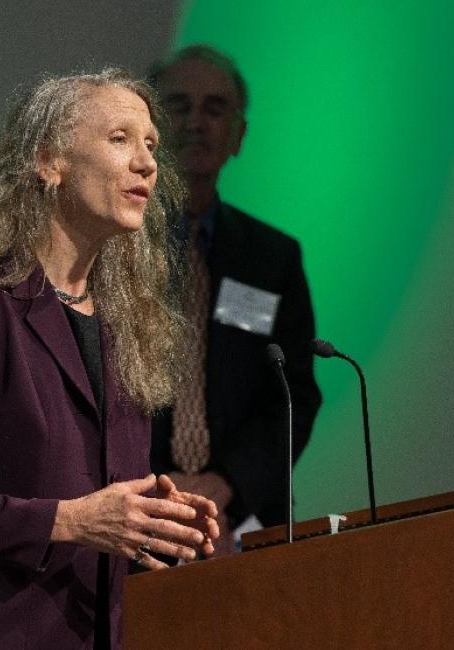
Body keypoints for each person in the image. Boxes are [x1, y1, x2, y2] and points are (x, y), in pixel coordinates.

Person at [0, 68, 220, 650]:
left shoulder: (124, 322)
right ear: (48, 160)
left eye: (152, 145)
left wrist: (154, 521)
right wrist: (69, 521)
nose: (148, 163)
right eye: (120, 139)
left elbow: (90, 495)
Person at [149, 45, 322, 554]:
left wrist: (224, 487)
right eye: (179, 106)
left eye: (215, 108)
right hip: (132, 513)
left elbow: (293, 397)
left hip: (239, 519)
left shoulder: (272, 258)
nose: (197, 122)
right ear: (150, 129)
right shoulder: (109, 247)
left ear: (238, 135)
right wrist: (161, 494)